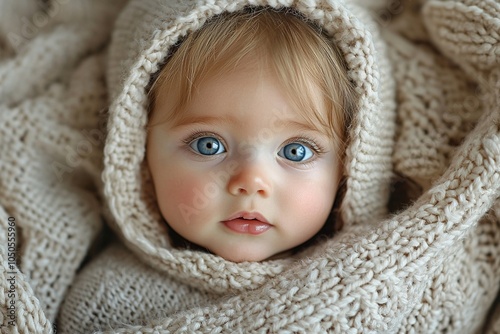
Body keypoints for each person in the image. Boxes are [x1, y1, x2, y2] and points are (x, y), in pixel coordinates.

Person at [58, 0, 500, 333]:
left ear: (350, 168)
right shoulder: (105, 301)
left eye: (296, 152)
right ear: (138, 155)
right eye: (208, 144)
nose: (251, 181)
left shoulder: (397, 280)